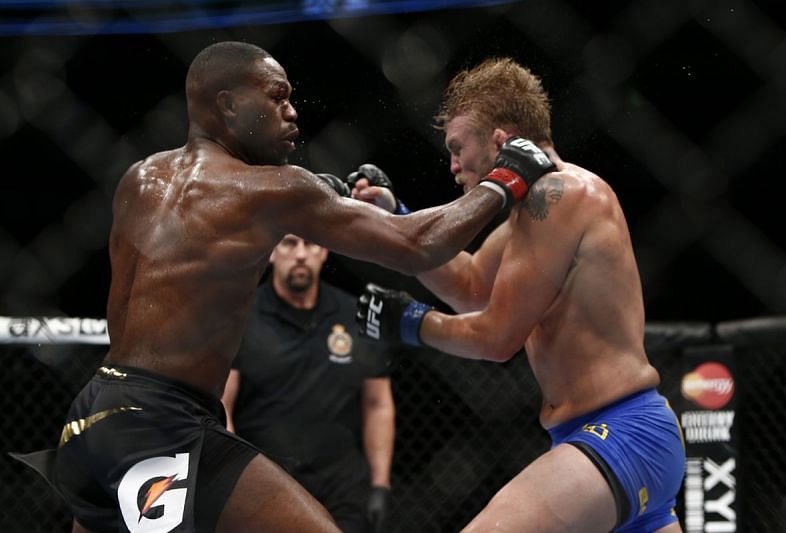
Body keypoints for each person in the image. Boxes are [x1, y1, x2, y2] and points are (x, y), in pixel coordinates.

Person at [9, 43, 555, 532]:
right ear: (226, 106)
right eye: (276, 97)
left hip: (93, 416)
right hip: (161, 428)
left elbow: (201, 248)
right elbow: (417, 245)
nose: (293, 111)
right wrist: (505, 179)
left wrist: (315, 201)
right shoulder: (273, 192)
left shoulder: (140, 179)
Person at [356, 58, 686, 532]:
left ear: (500, 140)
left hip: (620, 435)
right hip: (601, 440)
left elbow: (495, 337)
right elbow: (471, 287)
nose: (452, 165)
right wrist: (395, 216)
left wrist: (406, 321)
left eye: (457, 147)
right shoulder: (528, 214)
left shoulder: (560, 194)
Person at [221, 233, 395, 533]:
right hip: (268, 485)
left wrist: (380, 484)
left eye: (310, 243)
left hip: (342, 487)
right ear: (271, 251)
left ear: (324, 251)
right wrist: (236, 480)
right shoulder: (240, 317)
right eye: (289, 243)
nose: (300, 254)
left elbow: (377, 404)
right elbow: (221, 408)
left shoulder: (356, 316)